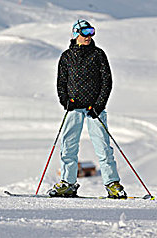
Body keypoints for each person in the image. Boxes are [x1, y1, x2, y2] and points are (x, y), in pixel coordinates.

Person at [48, 19, 126, 198]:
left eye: (91, 32)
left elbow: (107, 81)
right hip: (74, 108)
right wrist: (65, 101)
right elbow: (61, 82)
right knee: (68, 147)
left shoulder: (98, 54)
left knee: (103, 147)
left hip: (94, 110)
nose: (89, 36)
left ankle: (112, 184)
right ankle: (67, 183)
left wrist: (99, 105)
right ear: (76, 34)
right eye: (85, 32)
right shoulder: (66, 57)